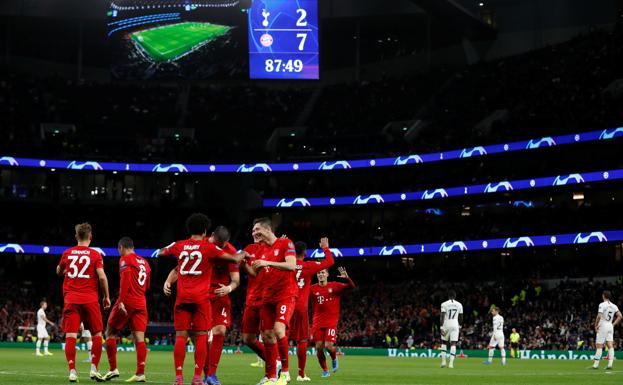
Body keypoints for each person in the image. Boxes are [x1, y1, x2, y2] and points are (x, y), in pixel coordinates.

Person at [158, 213, 247, 385]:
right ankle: (198, 377)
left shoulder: (180, 245)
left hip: (182, 298)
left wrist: (173, 249)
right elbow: (235, 258)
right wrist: (245, 253)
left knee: (181, 337)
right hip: (201, 299)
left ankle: (178, 377)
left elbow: (161, 253)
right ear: (206, 232)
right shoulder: (209, 249)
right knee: (201, 336)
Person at [56, 223, 111, 382]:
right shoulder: (95, 255)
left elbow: (59, 271)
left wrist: (64, 270)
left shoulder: (67, 253)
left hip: (71, 300)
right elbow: (101, 277)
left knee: (71, 336)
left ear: (76, 237)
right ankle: (94, 368)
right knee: (97, 334)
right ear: (90, 237)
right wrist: (106, 296)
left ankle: (72, 371)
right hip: (90, 300)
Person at [250, 217, 297, 385]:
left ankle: (285, 373)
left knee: (278, 330)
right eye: (253, 230)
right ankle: (271, 377)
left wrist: (266, 262)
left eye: (257, 230)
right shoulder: (262, 250)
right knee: (267, 336)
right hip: (267, 297)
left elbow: (292, 265)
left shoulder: (286, 243)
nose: (254, 233)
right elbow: (257, 273)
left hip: (285, 294)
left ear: (268, 229)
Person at [103, 237, 151, 382]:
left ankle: (113, 369)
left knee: (110, 333)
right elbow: (147, 286)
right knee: (139, 338)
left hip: (127, 300)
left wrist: (122, 301)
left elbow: (125, 280)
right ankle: (140, 373)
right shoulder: (146, 263)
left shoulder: (125, 259)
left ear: (121, 248)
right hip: (141, 302)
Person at [290, 238, 334, 381]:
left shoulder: (285, 264)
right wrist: (325, 248)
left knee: (281, 337)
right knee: (302, 341)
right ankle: (301, 374)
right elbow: (329, 262)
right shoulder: (308, 265)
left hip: (285, 304)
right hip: (301, 307)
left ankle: (281, 371)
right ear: (305, 253)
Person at [310, 267, 355, 378]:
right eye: (319, 273)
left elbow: (352, 287)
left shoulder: (334, 285)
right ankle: (325, 370)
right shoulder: (312, 288)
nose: (320, 274)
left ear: (327, 275)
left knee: (329, 346)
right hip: (317, 322)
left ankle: (334, 358)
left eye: (323, 272)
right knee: (319, 347)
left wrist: (347, 278)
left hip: (331, 321)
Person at [592, 290, 622, 370]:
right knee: (610, 345)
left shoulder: (602, 304)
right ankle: (610, 365)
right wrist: (613, 324)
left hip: (603, 325)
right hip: (610, 325)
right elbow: (620, 316)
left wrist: (596, 325)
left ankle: (595, 365)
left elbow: (599, 316)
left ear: (603, 296)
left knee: (599, 345)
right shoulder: (614, 305)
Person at [439, 290, 463, 369]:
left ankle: (443, 362)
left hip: (447, 323)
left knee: (444, 342)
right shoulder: (459, 304)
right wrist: (460, 326)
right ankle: (451, 364)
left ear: (448, 296)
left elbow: (442, 316)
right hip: (455, 324)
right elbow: (461, 317)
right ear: (455, 296)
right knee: (453, 343)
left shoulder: (444, 304)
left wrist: (441, 327)